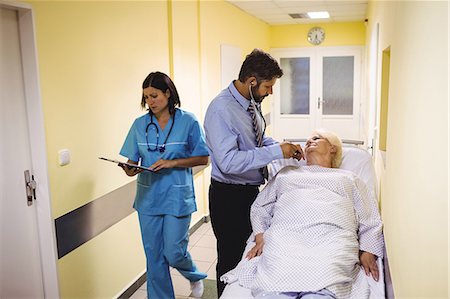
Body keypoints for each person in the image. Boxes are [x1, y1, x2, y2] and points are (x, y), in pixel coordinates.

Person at [222, 129, 385, 299]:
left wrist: (367, 250)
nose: (309, 142)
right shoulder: (286, 174)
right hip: (286, 236)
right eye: (307, 141)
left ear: (333, 148)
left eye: (316, 138)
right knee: (276, 269)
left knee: (329, 271)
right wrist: (261, 236)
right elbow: (260, 207)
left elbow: (369, 216)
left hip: (331, 239)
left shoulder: (349, 178)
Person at [204, 48, 303, 296]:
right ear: (251, 82)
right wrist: (275, 152)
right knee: (230, 259)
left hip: (250, 192)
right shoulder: (221, 110)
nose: (270, 92)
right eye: (268, 86)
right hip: (228, 196)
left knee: (250, 256)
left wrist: (279, 146)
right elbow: (228, 162)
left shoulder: (250, 102)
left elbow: (254, 140)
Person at [119, 71, 209, 299]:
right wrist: (130, 169)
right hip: (148, 198)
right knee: (154, 256)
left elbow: (203, 158)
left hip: (177, 197)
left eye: (154, 96)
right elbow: (132, 164)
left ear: (168, 93)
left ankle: (195, 275)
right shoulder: (140, 125)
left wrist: (173, 162)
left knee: (174, 252)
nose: (150, 102)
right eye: (146, 97)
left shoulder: (188, 121)